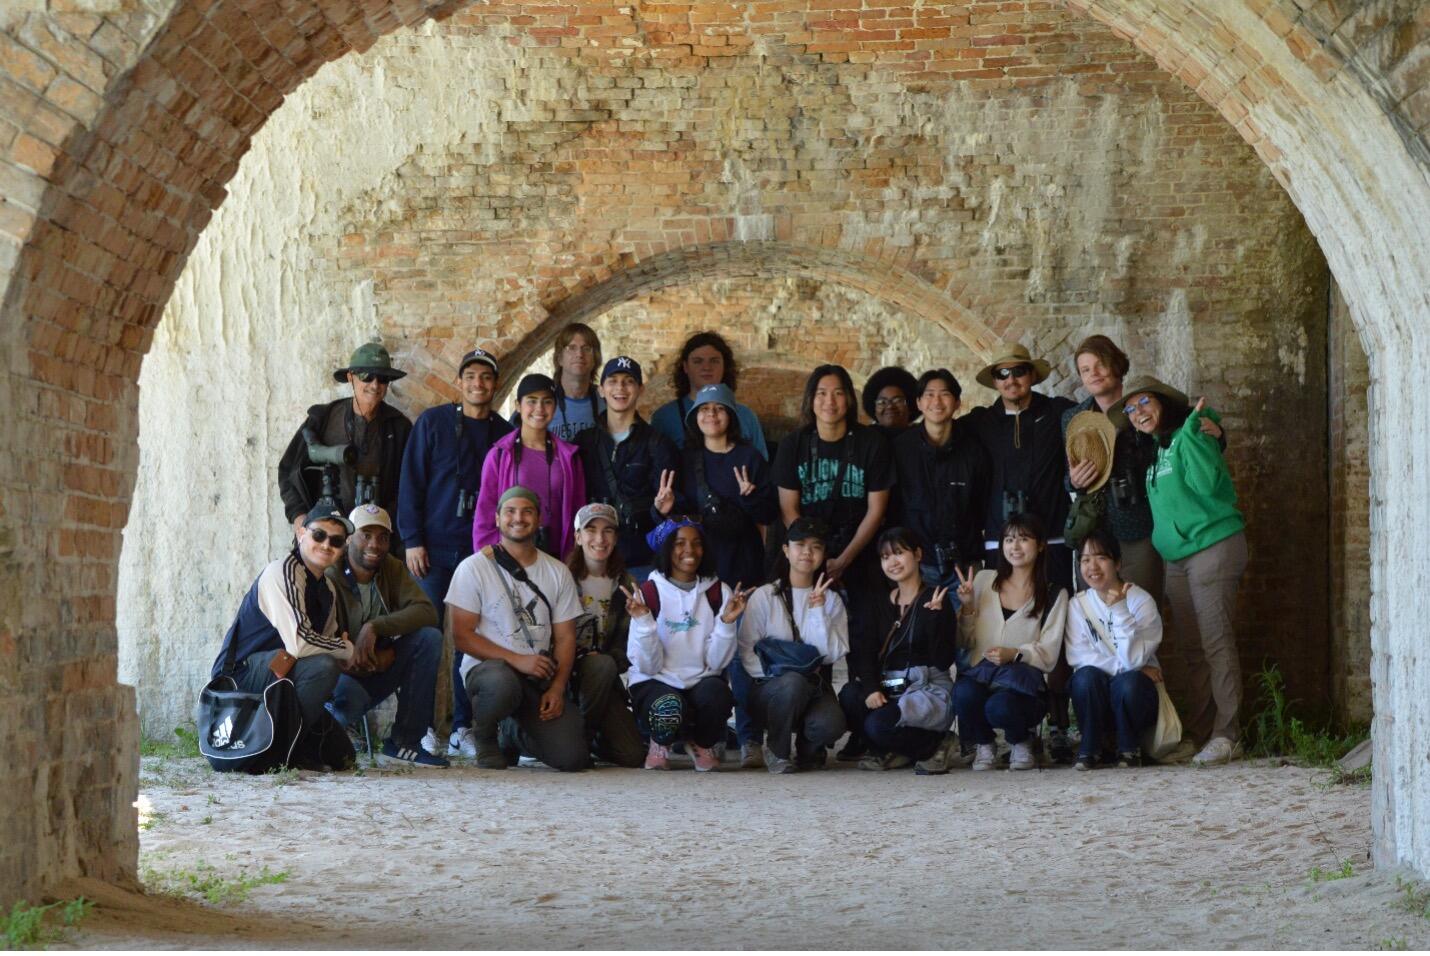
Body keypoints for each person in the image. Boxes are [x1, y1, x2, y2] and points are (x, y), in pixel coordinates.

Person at [1113, 376, 1247, 767]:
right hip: (1177, 557)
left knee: (1216, 642)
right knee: (1192, 649)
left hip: (1212, 547)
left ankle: (1228, 734)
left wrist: (1199, 435)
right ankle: (1203, 732)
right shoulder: (1156, 449)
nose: (1138, 413)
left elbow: (1208, 484)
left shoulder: (1192, 433)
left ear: (1163, 403)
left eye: (1144, 403)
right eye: (1131, 409)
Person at [398, 347, 514, 759]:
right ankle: (423, 727)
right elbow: (411, 483)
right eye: (471, 376)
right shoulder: (433, 423)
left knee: (474, 641)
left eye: (486, 377)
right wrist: (412, 539)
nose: (478, 384)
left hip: (480, 552)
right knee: (426, 638)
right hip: (431, 548)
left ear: (495, 385)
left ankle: (466, 725)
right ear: (459, 382)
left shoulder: (505, 434)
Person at [773, 364, 893, 761]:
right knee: (808, 630)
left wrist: (844, 558)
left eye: (839, 392)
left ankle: (864, 727)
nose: (830, 401)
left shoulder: (871, 443)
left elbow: (876, 510)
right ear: (811, 400)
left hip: (857, 553)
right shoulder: (794, 444)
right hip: (809, 554)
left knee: (865, 637)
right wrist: (813, 556)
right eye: (822, 393)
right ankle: (812, 728)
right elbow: (788, 508)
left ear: (850, 398)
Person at [962, 343, 1076, 761]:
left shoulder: (1060, 412)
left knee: (1056, 633)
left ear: (1032, 375)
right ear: (995, 381)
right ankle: (984, 728)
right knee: (994, 627)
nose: (1011, 380)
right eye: (1003, 374)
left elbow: (1103, 423)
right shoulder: (979, 422)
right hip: (999, 540)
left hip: (1053, 540)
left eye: (1019, 372)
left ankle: (1060, 723)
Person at [1062, 335, 1222, 597]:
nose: (1094, 374)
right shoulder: (1072, 418)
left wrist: (1217, 433)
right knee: (1097, 616)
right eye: (1085, 370)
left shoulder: (1144, 404)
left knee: (1143, 608)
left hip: (1141, 526)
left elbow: (1185, 425)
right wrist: (1073, 481)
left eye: (1100, 364)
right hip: (1093, 531)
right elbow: (1066, 474)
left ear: (1116, 365)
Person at [445, 487, 589, 771]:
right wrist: (517, 660)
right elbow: (461, 636)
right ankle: (485, 737)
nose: (518, 518)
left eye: (527, 511)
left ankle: (513, 735)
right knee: (501, 682)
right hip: (490, 672)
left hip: (537, 676)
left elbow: (565, 637)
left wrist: (558, 688)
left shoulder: (557, 571)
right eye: (510, 511)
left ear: (538, 520)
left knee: (573, 758)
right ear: (497, 519)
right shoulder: (473, 568)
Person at [209, 505, 359, 770]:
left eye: (336, 541)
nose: (327, 545)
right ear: (302, 533)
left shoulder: (328, 589)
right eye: (319, 535)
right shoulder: (282, 571)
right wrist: (345, 648)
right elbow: (301, 644)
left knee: (342, 755)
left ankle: (292, 744)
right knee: (324, 666)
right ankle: (282, 753)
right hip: (243, 677)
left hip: (284, 677)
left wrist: (335, 650)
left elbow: (317, 646)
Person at [679, 381, 779, 767]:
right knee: (705, 657)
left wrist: (752, 496)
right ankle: (711, 735)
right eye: (704, 410)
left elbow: (769, 512)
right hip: (701, 570)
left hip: (742, 567)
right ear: (695, 418)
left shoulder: (749, 456)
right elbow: (677, 517)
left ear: (731, 416)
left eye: (718, 410)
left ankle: (751, 738)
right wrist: (664, 508)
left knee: (742, 658)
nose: (711, 416)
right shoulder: (688, 461)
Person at [323, 504, 448, 767]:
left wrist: (376, 627)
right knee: (334, 719)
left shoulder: (390, 567)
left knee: (429, 638)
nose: (375, 545)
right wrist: (346, 657)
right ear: (349, 538)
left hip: (376, 669)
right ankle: (323, 728)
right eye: (366, 535)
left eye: (382, 537)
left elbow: (427, 612)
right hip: (340, 678)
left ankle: (405, 743)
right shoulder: (330, 572)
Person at [624, 518, 751, 771]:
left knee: (719, 696)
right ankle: (660, 741)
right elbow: (647, 667)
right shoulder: (649, 592)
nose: (689, 551)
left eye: (696, 543)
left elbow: (717, 663)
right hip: (656, 682)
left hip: (701, 680)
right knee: (668, 706)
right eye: (679, 544)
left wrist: (726, 622)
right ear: (667, 549)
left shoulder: (718, 591)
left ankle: (701, 742)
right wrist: (645, 622)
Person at [951, 514, 1069, 771]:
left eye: (1024, 539)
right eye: (1009, 539)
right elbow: (964, 642)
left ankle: (1021, 741)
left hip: (1021, 686)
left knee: (1000, 706)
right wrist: (968, 607)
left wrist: (1015, 653)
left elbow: (1049, 653)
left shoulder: (1053, 594)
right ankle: (985, 743)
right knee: (962, 694)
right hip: (981, 676)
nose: (1014, 547)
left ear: (1040, 545)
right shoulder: (983, 580)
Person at [837, 527, 957, 771]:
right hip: (889, 683)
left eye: (899, 553)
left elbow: (943, 660)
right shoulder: (878, 601)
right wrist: (871, 689)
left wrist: (935, 619)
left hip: (925, 685)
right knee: (850, 697)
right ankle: (894, 750)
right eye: (885, 557)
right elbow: (864, 651)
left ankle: (935, 744)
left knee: (878, 726)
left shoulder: (936, 598)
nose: (892, 562)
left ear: (918, 554)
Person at [737, 517, 849, 773]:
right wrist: (782, 677)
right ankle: (777, 751)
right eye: (800, 545)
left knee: (831, 724)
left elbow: (831, 654)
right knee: (792, 683)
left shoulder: (831, 600)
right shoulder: (765, 596)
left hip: (814, 687)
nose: (807, 552)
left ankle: (809, 749)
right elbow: (746, 651)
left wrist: (818, 611)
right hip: (768, 691)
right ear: (786, 550)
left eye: (816, 546)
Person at [278, 342, 413, 542]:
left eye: (382, 378)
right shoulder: (323, 418)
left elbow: (410, 486)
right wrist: (300, 517)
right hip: (324, 537)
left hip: (375, 541)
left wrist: (381, 525)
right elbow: (289, 470)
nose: (375, 385)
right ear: (350, 377)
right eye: (366, 376)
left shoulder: (399, 427)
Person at [1064, 529, 1163, 770]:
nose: (1092, 567)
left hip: (1135, 698)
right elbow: (1078, 656)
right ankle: (1090, 748)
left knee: (1129, 682)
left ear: (1117, 563)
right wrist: (1126, 670)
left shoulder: (1141, 601)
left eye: (1101, 558)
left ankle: (1130, 748)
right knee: (1085, 677)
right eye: (1085, 560)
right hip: (1097, 696)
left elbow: (1132, 660)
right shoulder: (1078, 605)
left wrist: (1120, 610)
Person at [574, 356, 681, 579]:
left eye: (628, 381)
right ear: (601, 390)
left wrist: (661, 511)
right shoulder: (584, 442)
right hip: (592, 558)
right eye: (612, 381)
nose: (620, 388)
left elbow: (671, 507)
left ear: (640, 389)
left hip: (641, 560)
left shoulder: (658, 444)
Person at [892, 369, 989, 588]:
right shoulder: (901, 449)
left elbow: (982, 503)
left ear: (957, 403)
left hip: (965, 563)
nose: (936, 401)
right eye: (929, 394)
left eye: (944, 394)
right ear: (918, 403)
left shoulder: (973, 450)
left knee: (970, 621)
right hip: (917, 564)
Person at [565, 503, 645, 768]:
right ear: (578, 537)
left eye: (608, 531)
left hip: (605, 677)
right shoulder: (560, 579)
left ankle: (591, 737)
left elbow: (630, 647)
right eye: (591, 530)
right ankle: (580, 739)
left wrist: (607, 660)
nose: (600, 539)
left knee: (633, 756)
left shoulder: (628, 585)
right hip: (563, 677)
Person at [473, 373, 586, 560]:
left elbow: (578, 511)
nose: (539, 408)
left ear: (555, 406)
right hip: (509, 557)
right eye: (531, 401)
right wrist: (487, 559)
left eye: (547, 402)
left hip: (556, 559)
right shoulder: (500, 454)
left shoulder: (569, 457)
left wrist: (574, 558)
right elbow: (485, 511)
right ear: (518, 406)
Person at [649, 331, 769, 458]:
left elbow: (762, 469)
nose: (706, 367)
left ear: (725, 366)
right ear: (685, 367)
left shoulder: (746, 417)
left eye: (714, 361)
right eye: (698, 361)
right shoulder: (664, 418)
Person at [545, 323, 606, 442]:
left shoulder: (607, 400)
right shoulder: (541, 401)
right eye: (572, 348)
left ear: (595, 359)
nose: (579, 354)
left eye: (586, 349)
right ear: (559, 358)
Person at [862, 366, 920, 438]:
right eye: (882, 402)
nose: (890, 406)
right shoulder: (864, 440)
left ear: (911, 406)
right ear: (874, 410)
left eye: (897, 401)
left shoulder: (924, 438)